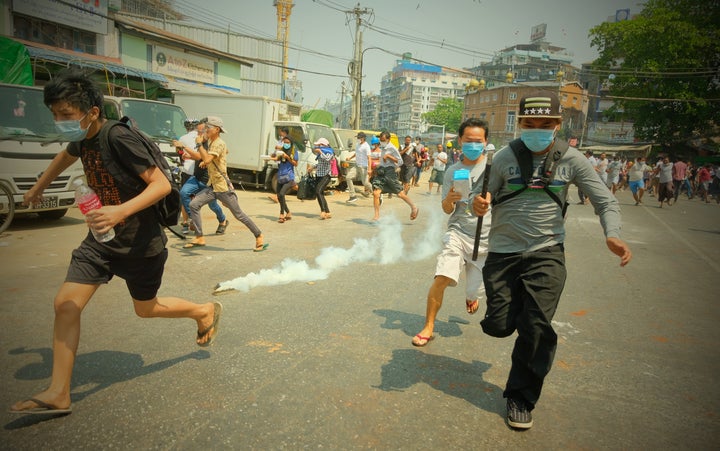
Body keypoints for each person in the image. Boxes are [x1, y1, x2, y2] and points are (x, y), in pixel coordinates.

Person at [10, 70, 223, 416]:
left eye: (66, 114)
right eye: (55, 114)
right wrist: (39, 186)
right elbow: (66, 155)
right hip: (100, 240)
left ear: (92, 111)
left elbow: (161, 186)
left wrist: (119, 211)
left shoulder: (118, 137)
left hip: (140, 242)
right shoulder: (84, 136)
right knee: (65, 303)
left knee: (147, 308)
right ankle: (58, 392)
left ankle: (204, 311)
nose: (59, 121)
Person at [471, 90, 631, 430]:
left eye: (546, 124)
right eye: (530, 123)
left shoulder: (573, 160)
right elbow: (479, 196)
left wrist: (612, 233)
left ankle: (521, 397)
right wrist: (479, 203)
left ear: (558, 125)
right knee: (499, 325)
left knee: (537, 327)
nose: (537, 129)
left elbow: (605, 201)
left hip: (547, 252)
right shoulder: (503, 157)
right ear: (520, 124)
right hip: (503, 253)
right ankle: (510, 321)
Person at [412, 118, 491, 347]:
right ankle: (428, 326)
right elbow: (447, 210)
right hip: (458, 232)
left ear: (486, 142)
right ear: (460, 141)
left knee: (474, 291)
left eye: (478, 141)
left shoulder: (494, 169)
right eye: (469, 140)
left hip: (485, 239)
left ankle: (471, 296)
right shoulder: (452, 172)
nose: (473, 145)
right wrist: (450, 199)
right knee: (442, 277)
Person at [185, 116, 267, 251]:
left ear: (216, 129)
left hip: (222, 187)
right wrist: (208, 161)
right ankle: (199, 236)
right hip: (213, 186)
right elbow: (214, 156)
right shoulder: (212, 142)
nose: (205, 130)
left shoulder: (218, 143)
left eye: (208, 128)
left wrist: (200, 146)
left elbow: (208, 157)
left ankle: (258, 235)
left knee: (238, 214)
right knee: (194, 204)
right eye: (205, 128)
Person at [174, 120, 228, 235]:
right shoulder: (201, 141)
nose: (199, 133)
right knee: (184, 193)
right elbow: (199, 157)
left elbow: (203, 157)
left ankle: (223, 220)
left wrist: (184, 146)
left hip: (208, 180)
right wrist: (189, 156)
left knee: (213, 205)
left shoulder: (212, 143)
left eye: (202, 130)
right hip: (196, 177)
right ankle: (193, 219)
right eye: (199, 131)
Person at [369, 131, 419, 222]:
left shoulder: (392, 148)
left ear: (388, 139)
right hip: (381, 172)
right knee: (376, 193)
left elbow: (400, 162)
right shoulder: (382, 147)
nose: (381, 141)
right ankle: (376, 216)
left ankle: (414, 207)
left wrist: (389, 156)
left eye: (383, 140)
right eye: (381, 140)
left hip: (390, 172)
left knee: (400, 194)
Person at [272, 136, 297, 222]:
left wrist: (287, 157)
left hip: (289, 177)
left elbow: (295, 163)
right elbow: (277, 159)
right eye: (284, 143)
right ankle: (288, 212)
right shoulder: (281, 150)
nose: (286, 144)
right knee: (279, 196)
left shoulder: (294, 151)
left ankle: (281, 214)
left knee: (282, 194)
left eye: (287, 143)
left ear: (291, 143)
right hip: (280, 176)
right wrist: (270, 158)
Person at [345, 131, 372, 203]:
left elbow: (369, 158)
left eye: (359, 138)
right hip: (356, 165)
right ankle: (352, 196)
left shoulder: (366, 146)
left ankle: (376, 192)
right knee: (348, 177)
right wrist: (350, 158)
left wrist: (369, 169)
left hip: (363, 167)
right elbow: (356, 153)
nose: (358, 139)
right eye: (357, 137)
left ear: (363, 138)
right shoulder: (357, 144)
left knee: (365, 183)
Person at [312, 137, 334, 220]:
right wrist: (313, 167)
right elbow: (320, 163)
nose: (318, 147)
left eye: (319, 145)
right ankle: (327, 212)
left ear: (324, 145)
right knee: (320, 193)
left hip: (326, 176)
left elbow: (327, 159)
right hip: (319, 175)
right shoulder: (321, 153)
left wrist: (320, 151)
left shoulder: (329, 152)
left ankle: (323, 211)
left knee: (318, 191)